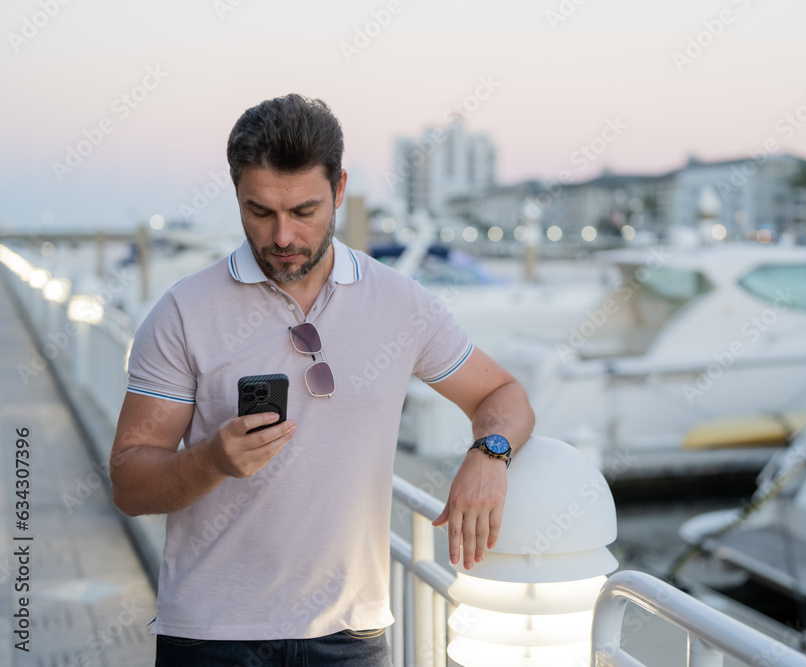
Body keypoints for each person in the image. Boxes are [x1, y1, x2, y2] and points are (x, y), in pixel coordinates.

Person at [109, 93, 534, 667]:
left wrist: (491, 454)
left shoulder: (400, 302)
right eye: (260, 212)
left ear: (339, 191)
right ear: (236, 194)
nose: (282, 236)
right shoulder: (184, 310)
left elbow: (501, 394)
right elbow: (130, 481)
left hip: (350, 636)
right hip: (210, 637)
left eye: (304, 211)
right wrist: (210, 460)